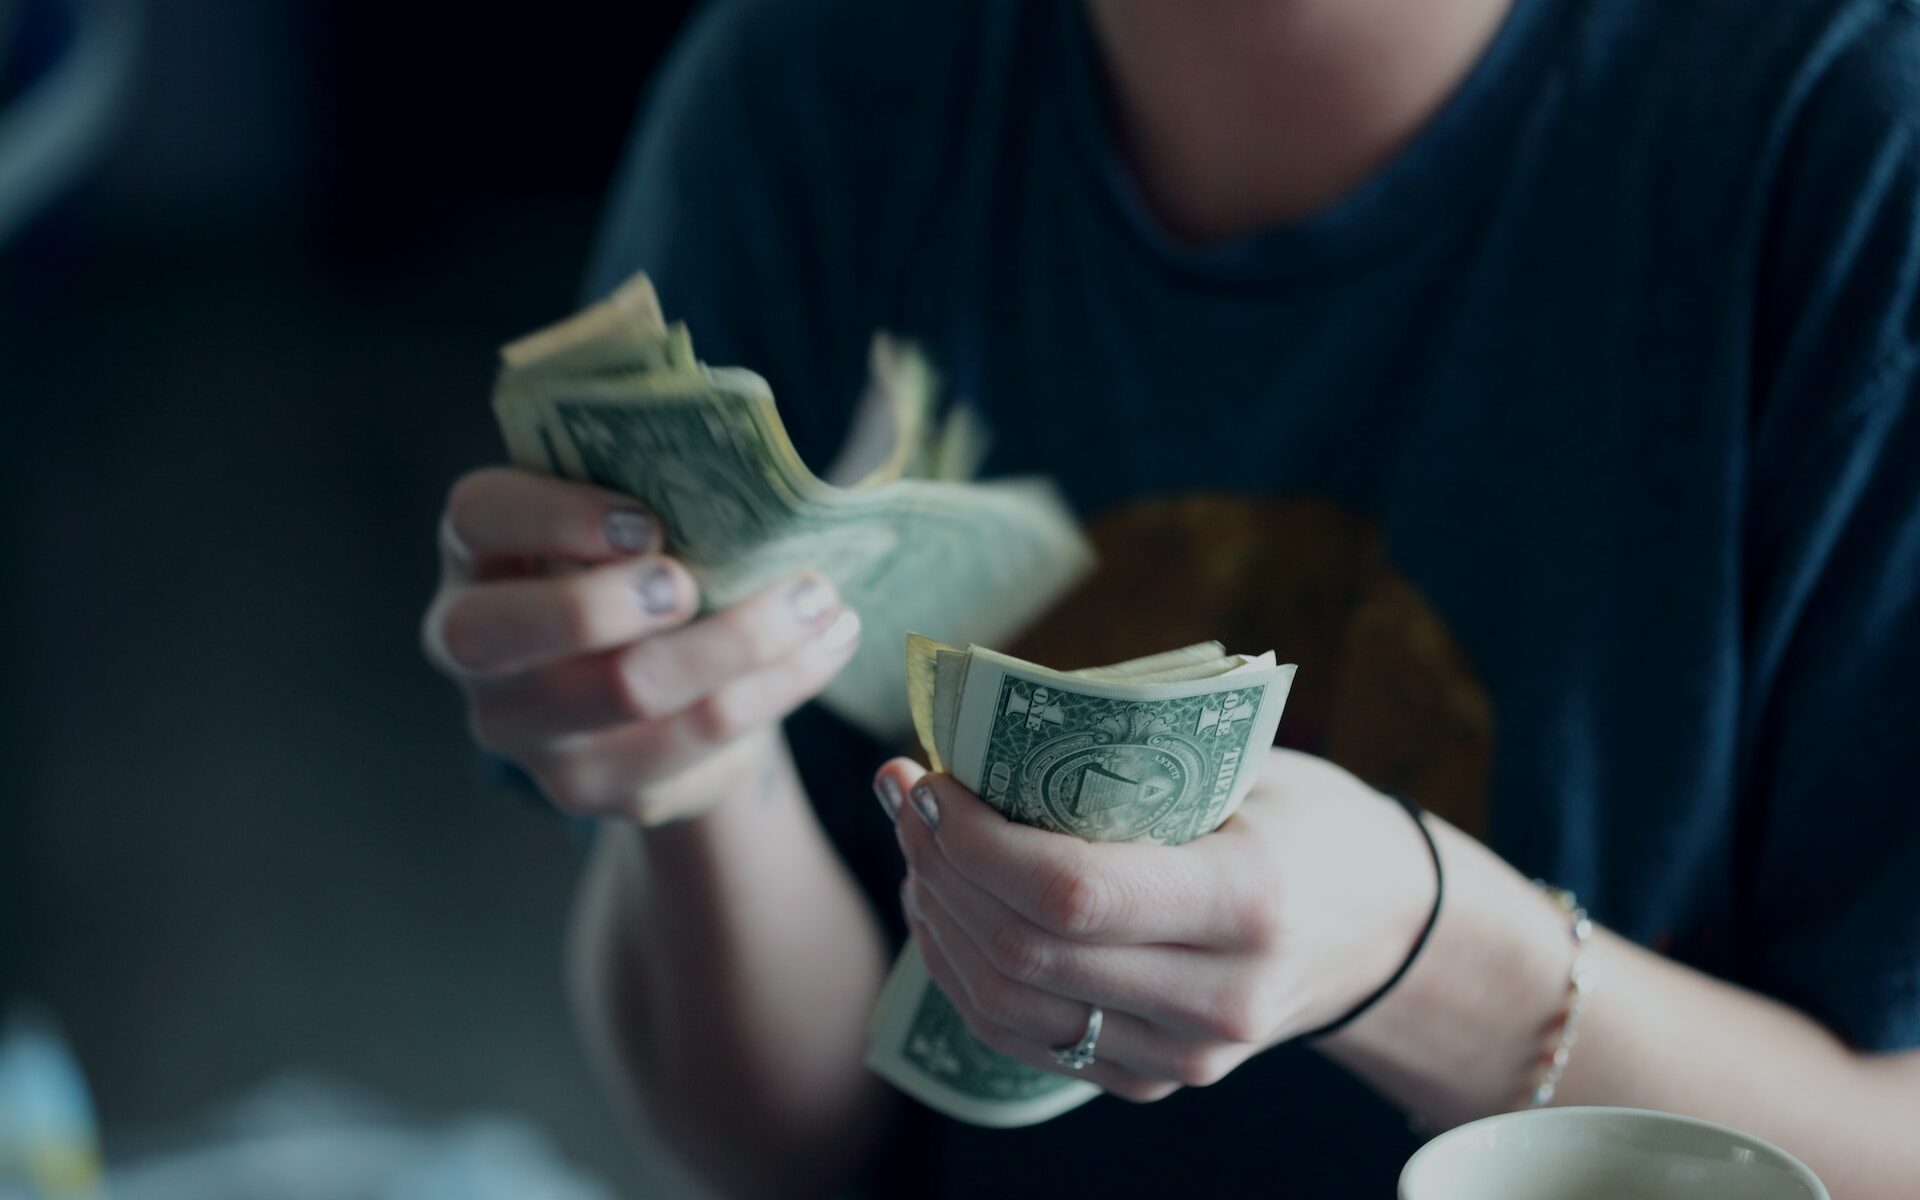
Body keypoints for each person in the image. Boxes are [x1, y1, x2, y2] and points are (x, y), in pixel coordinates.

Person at [420, 0, 1920, 1195]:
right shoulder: (810, 81)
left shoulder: (1851, 152)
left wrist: (1428, 953)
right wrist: (695, 773)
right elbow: (793, 1146)